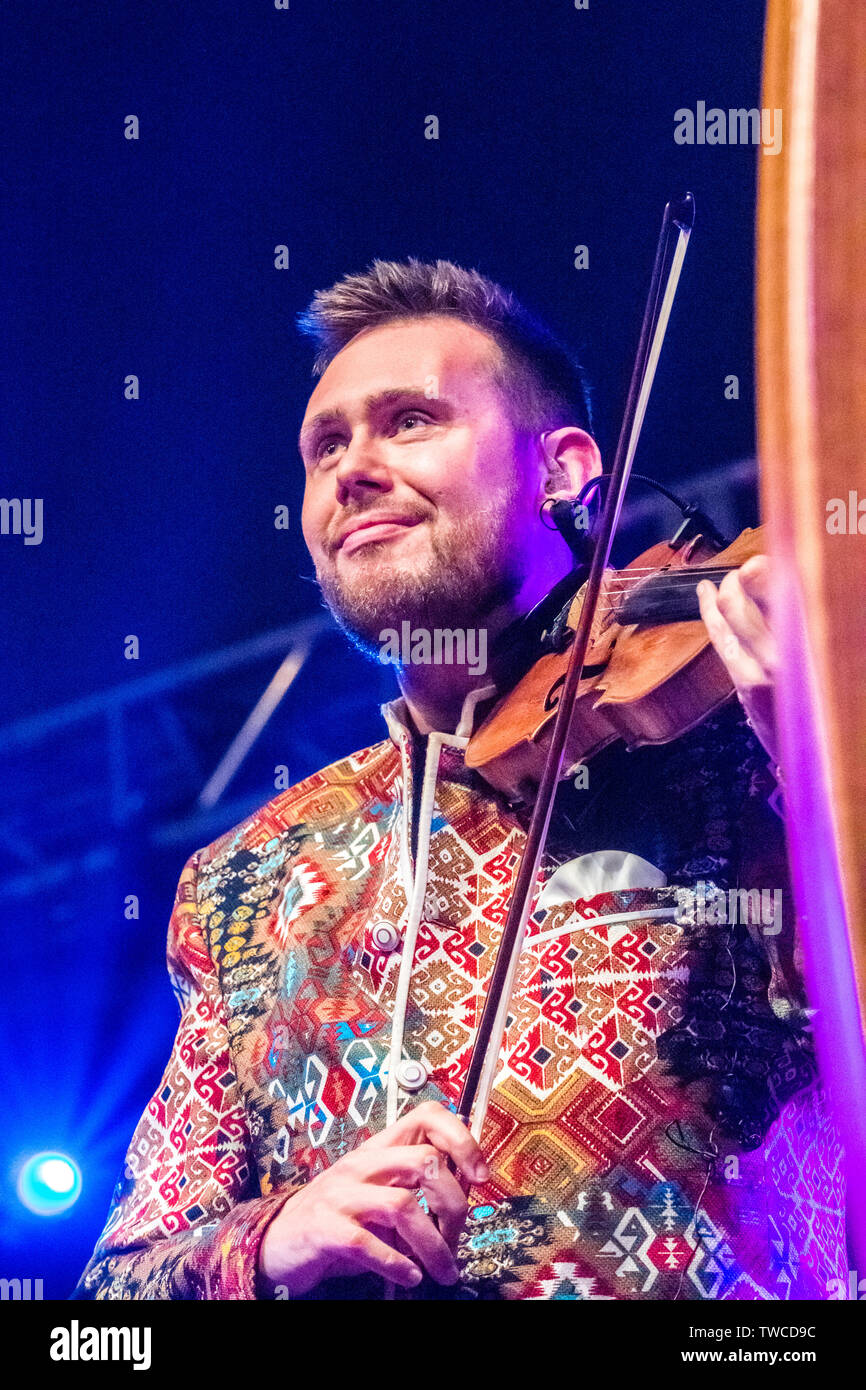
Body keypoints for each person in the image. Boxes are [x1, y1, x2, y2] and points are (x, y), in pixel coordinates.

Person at [73, 259, 845, 1301]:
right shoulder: (244, 879)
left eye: (408, 421)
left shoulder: (740, 752)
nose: (352, 467)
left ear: (566, 469)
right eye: (325, 444)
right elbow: (108, 1312)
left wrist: (821, 767)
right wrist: (276, 1235)